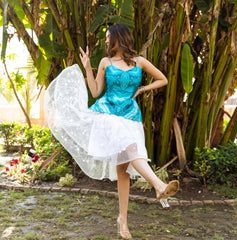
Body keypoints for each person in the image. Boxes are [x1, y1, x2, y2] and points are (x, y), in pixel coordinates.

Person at [45, 24, 179, 239]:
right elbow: (96, 91)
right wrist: (88, 67)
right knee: (133, 149)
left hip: (131, 117)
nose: (106, 41)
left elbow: (162, 79)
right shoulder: (105, 62)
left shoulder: (140, 61)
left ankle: (122, 221)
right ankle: (159, 185)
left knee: (123, 172)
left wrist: (143, 89)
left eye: (108, 37)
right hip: (108, 115)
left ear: (119, 37)